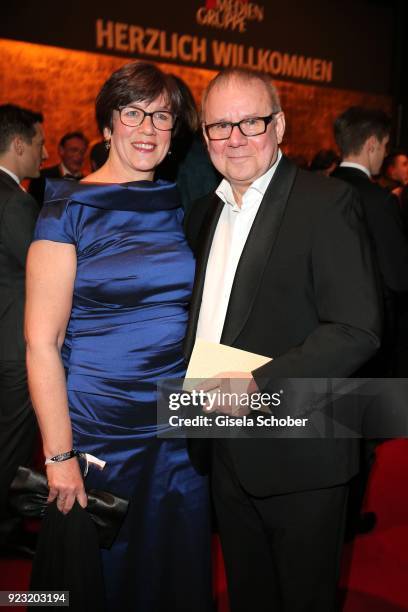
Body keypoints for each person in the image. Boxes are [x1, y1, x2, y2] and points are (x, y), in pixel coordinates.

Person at [184, 68, 381, 612]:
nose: (235, 137)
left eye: (251, 121)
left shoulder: (327, 203)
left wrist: (258, 384)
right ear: (204, 137)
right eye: (220, 126)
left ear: (280, 126)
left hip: (301, 456)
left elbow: (356, 329)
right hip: (223, 450)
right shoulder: (205, 212)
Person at [25, 62, 212, 612]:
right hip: (100, 426)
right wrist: (59, 455)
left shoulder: (178, 204)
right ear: (107, 125)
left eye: (162, 116)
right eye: (133, 113)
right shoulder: (68, 209)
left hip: (176, 421)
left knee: (172, 564)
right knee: (102, 572)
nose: (148, 127)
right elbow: (41, 342)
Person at [332, 106, 408, 539]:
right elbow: (397, 276)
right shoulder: (378, 200)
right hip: (369, 340)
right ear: (374, 144)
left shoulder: (314, 190)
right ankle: (346, 523)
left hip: (322, 336)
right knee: (362, 440)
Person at [0, 104, 47, 556]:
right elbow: (42, 276)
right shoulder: (17, 202)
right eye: (38, 144)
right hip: (13, 348)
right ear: (18, 145)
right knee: (12, 449)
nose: (45, 152)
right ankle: (6, 533)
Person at [28, 131, 89, 205]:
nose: (79, 156)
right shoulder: (42, 179)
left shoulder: (88, 184)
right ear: (61, 150)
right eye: (73, 150)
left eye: (82, 152)